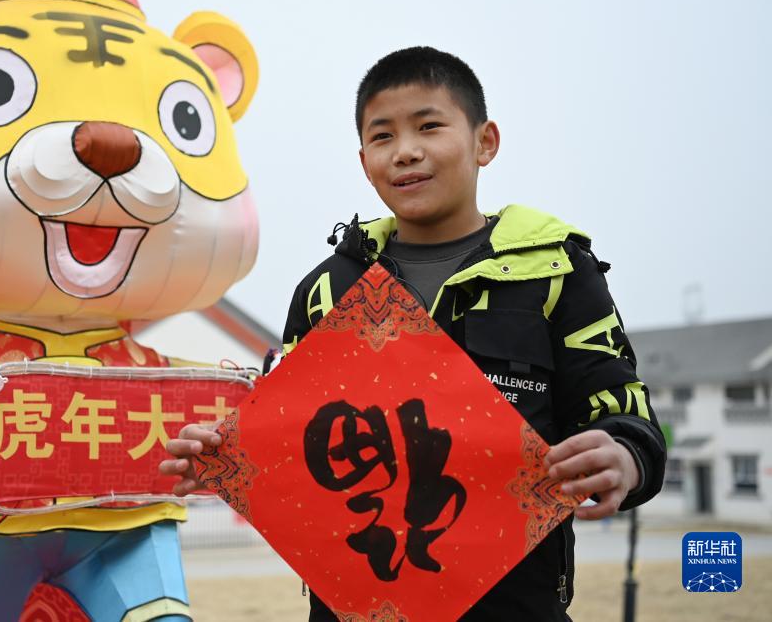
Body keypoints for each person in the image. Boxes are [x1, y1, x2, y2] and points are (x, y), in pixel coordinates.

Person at [160, 46, 666, 621]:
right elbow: (293, 443)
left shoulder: (557, 274)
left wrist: (625, 456)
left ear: (485, 142)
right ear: (364, 160)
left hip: (516, 606)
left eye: (428, 126)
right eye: (383, 136)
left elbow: (623, 412)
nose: (405, 151)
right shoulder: (328, 290)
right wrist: (224, 458)